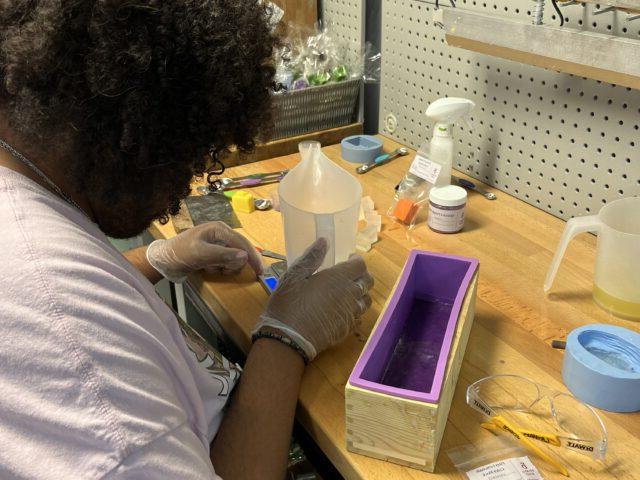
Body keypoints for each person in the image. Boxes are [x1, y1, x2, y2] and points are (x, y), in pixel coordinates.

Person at [0, 2, 373, 479]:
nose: (183, 186)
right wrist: (286, 339)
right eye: (189, 159)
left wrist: (158, 257)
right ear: (132, 127)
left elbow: (62, 282)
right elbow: (58, 306)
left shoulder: (27, 200)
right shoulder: (105, 411)